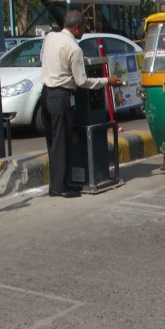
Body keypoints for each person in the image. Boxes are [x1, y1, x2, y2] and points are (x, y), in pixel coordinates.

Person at [40, 10, 123, 198]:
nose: (84, 30)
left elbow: (42, 59)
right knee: (62, 143)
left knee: (52, 143)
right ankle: (60, 187)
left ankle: (55, 184)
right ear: (77, 27)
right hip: (62, 97)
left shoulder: (50, 38)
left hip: (46, 95)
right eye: (84, 27)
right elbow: (82, 81)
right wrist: (106, 81)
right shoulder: (74, 49)